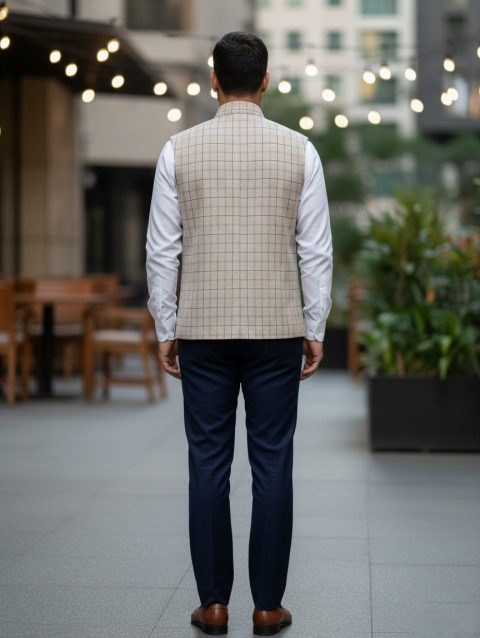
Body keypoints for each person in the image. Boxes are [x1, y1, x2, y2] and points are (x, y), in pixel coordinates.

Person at [145, 30, 333, 637]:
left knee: (207, 462)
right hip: (277, 329)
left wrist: (166, 325)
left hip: (202, 328)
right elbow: (315, 250)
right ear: (266, 81)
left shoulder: (178, 151)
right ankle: (267, 606)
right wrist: (314, 325)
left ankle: (214, 604)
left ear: (213, 81)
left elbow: (162, 250)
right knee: (273, 463)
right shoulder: (300, 151)